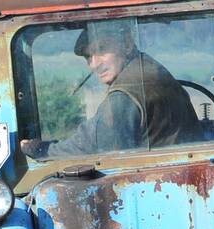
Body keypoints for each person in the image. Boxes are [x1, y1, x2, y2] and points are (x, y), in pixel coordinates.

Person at [23, 21, 200, 158]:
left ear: (127, 44)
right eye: (88, 57)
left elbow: (91, 144)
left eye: (102, 49)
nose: (94, 64)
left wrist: (43, 150)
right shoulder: (149, 68)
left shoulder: (125, 94)